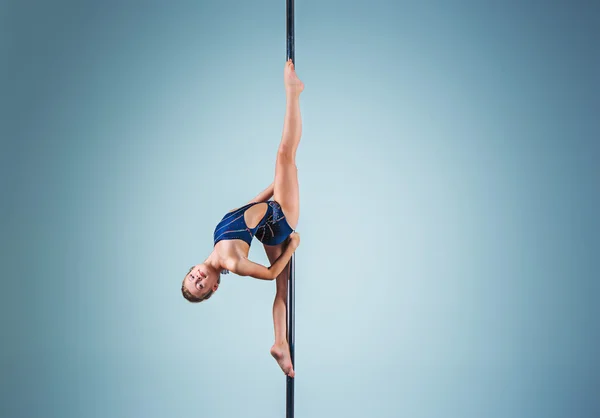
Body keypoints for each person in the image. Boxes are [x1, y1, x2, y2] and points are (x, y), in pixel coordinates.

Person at [181, 59, 304, 378]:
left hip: (268, 224)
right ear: (214, 287)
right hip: (280, 222)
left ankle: (280, 344)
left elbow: (245, 210)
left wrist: (275, 186)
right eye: (201, 286)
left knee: (282, 293)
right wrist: (293, 245)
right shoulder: (232, 263)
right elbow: (268, 271)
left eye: (193, 278)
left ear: (193, 267)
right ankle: (293, 92)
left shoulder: (218, 239)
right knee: (285, 153)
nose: (198, 280)